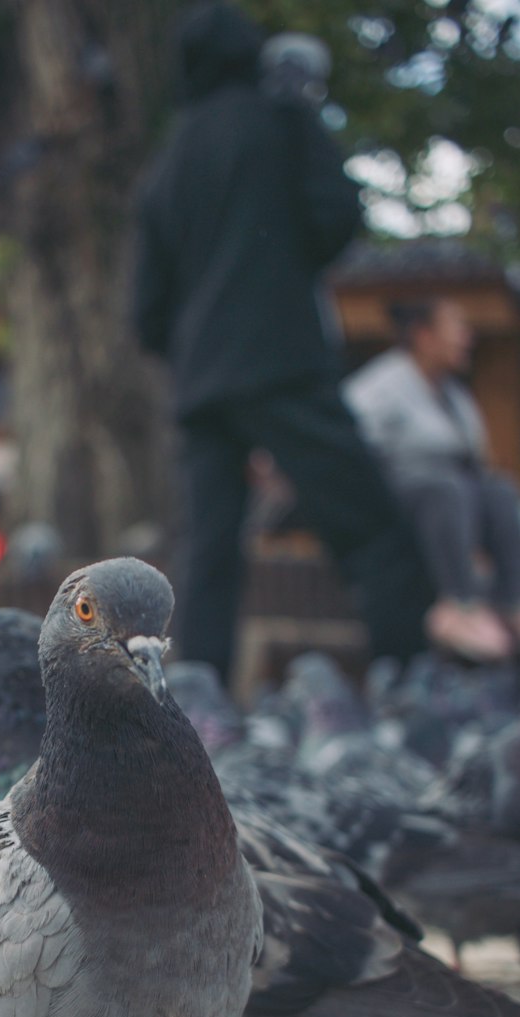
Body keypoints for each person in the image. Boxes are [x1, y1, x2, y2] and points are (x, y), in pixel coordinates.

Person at [132, 1, 434, 684]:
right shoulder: (283, 117)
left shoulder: (166, 162)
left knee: (209, 553)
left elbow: (146, 310)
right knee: (369, 525)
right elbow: (334, 219)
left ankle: (192, 704)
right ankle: (413, 681)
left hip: (203, 380)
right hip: (283, 359)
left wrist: (192, 346)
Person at [344, 299, 520, 661]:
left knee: (500, 489)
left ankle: (509, 601)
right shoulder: (381, 384)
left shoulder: (455, 396)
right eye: (457, 327)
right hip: (401, 497)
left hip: (457, 499)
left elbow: (479, 460)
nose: (466, 338)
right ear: (424, 335)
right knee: (445, 485)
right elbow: (348, 443)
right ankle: (460, 604)